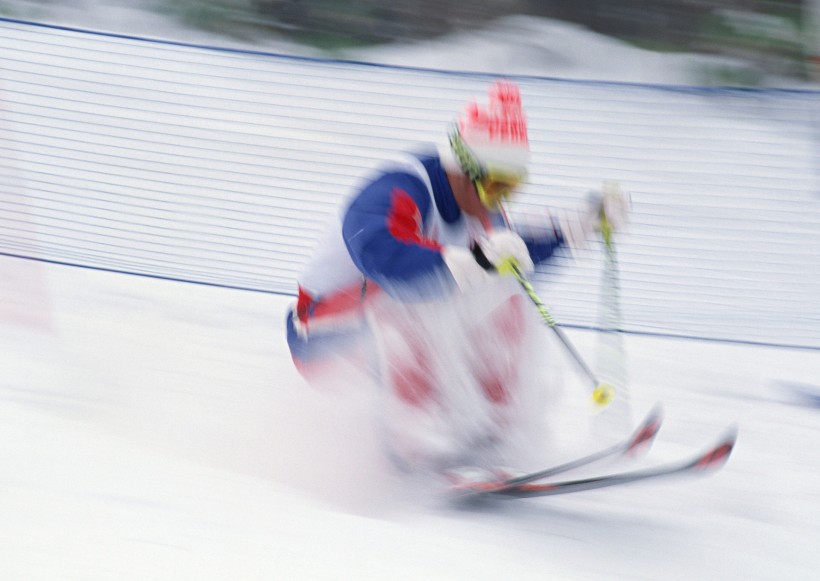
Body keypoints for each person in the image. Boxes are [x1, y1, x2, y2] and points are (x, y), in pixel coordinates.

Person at [286, 80, 629, 471]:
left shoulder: (479, 204)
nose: (500, 201)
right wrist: (473, 261)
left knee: (505, 304)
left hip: (382, 333)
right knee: (408, 309)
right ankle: (416, 448)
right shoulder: (400, 188)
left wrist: (578, 226)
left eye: (512, 189)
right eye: (496, 185)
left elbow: (509, 257)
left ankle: (492, 440)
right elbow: (380, 253)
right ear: (462, 168)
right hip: (323, 335)